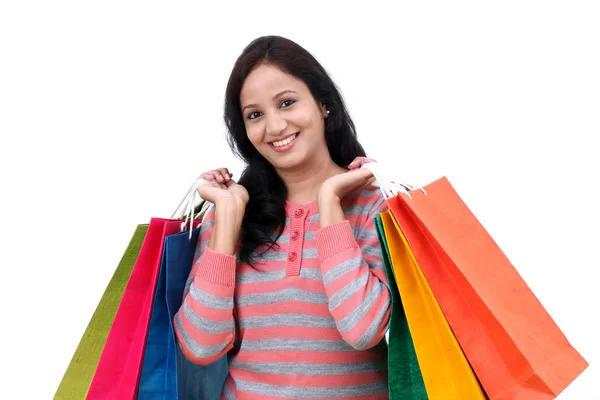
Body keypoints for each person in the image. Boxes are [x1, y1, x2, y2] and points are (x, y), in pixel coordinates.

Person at [173, 35, 391, 399]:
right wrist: (227, 218)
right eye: (255, 114)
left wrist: (330, 202)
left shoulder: (376, 206)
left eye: (286, 103)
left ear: (323, 104)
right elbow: (200, 346)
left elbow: (363, 328)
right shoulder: (231, 214)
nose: (274, 127)